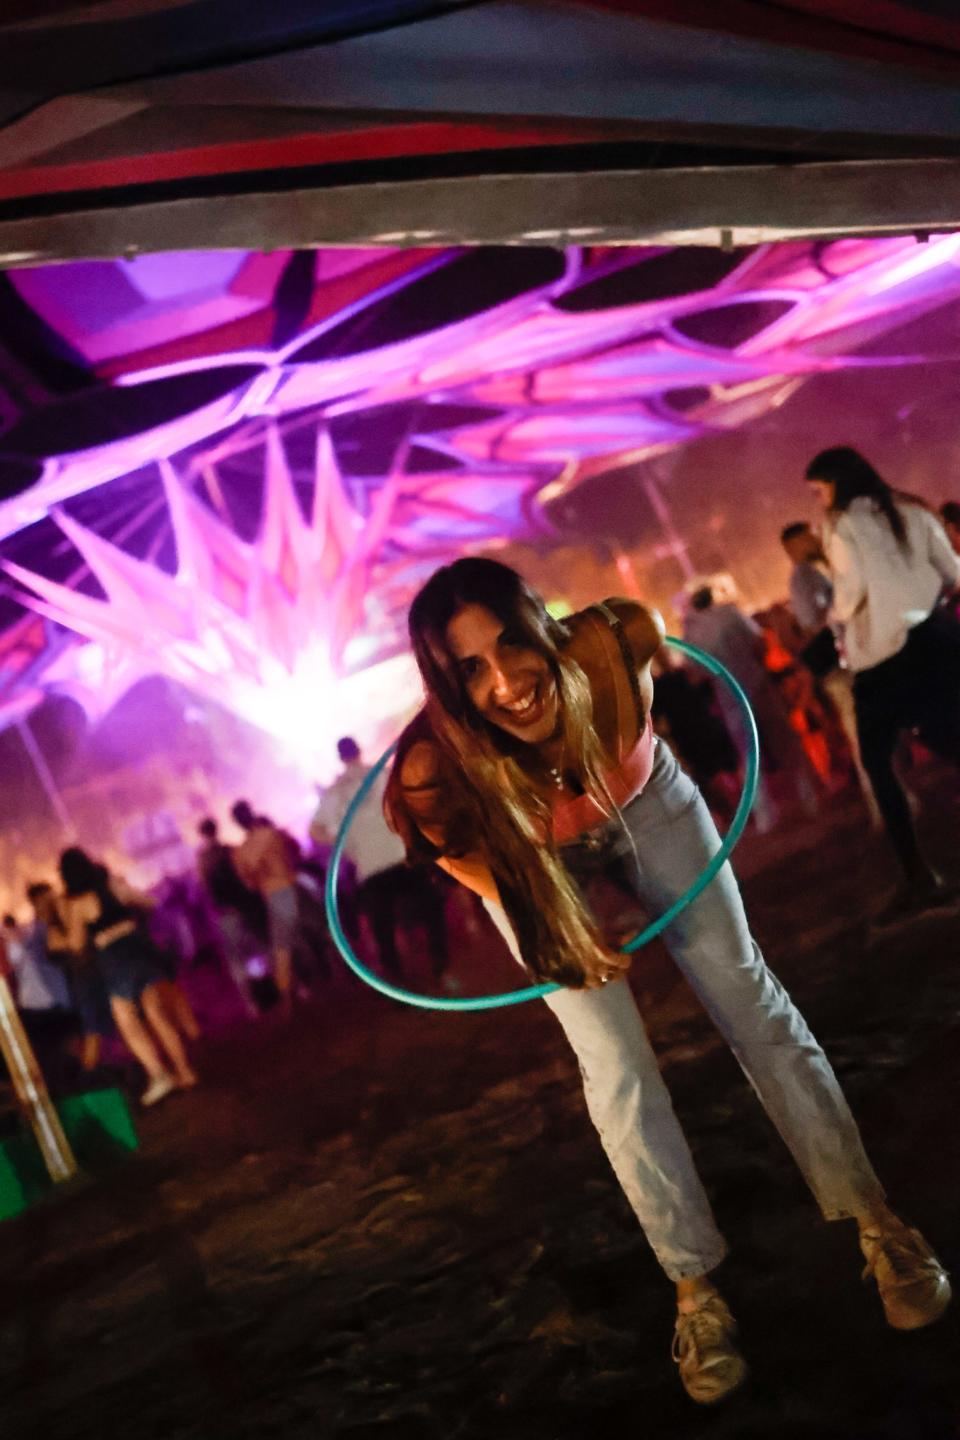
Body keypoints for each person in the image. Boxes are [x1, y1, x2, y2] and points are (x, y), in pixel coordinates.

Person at [384, 556, 949, 1406]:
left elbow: (631, 683)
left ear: (541, 625)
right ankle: (694, 1287)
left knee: (748, 998)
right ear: (446, 683)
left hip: (644, 798)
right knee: (614, 1065)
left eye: (511, 644)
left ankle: (880, 1224)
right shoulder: (435, 772)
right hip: (527, 862)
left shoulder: (615, 640)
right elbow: (475, 867)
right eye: (471, 668)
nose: (505, 681)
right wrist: (567, 928)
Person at [805, 448, 960, 916]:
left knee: (877, 761)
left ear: (835, 483)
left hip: (884, 659)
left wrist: (834, 618)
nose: (819, 500)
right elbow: (952, 573)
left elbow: (850, 594)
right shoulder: (913, 511)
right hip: (936, 642)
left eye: (819, 490)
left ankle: (918, 875)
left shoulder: (843, 525)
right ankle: (919, 876)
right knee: (950, 739)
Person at [54, 847, 198, 1106]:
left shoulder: (78, 903)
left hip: (114, 958)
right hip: (139, 948)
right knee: (157, 1014)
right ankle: (186, 1073)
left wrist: (59, 941)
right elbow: (150, 903)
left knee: (127, 1021)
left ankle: (159, 1074)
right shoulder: (113, 886)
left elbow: (76, 944)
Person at [682, 581, 818, 833]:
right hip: (757, 684)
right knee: (785, 741)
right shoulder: (730, 614)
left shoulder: (692, 632)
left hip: (729, 697)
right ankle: (809, 796)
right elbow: (759, 643)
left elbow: (696, 673)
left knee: (749, 755)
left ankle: (765, 814)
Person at [312, 737, 448, 985]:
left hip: (370, 866)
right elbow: (409, 802)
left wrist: (348, 847)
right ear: (359, 750)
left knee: (383, 930)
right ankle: (439, 962)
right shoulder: (382, 775)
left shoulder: (334, 792)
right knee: (431, 909)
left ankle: (396, 981)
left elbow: (315, 831)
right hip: (399, 855)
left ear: (341, 757)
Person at [780, 521, 880, 822]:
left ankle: (883, 800)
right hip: (837, 667)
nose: (814, 539)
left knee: (865, 731)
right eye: (807, 536)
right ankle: (880, 802)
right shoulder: (803, 577)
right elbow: (812, 622)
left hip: (841, 664)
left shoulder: (812, 572)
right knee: (861, 733)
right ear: (794, 547)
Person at [231, 801, 301, 1013]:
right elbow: (294, 851)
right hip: (295, 885)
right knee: (323, 929)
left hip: (274, 895)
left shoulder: (241, 852)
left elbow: (249, 884)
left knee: (282, 947)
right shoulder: (271, 834)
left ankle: (288, 994)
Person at [196, 817, 266, 1017]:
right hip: (244, 907)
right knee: (258, 948)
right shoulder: (229, 850)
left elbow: (203, 888)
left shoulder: (204, 859)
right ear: (216, 830)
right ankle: (270, 990)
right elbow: (245, 874)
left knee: (237, 960)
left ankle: (253, 1003)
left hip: (225, 913)